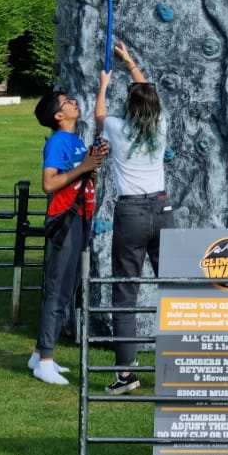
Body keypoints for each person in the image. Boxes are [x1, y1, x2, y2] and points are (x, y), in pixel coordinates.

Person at [96, 40, 174, 397]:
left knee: (126, 293)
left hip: (130, 212)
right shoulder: (159, 125)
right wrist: (130, 63)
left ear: (128, 106)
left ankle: (126, 374)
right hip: (162, 210)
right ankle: (180, 365)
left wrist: (103, 85)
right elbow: (147, 93)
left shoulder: (115, 128)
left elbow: (98, 116)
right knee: (175, 289)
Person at [31, 90, 106, 385]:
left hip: (81, 217)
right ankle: (46, 360)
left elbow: (82, 176)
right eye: (67, 102)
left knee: (67, 286)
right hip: (65, 220)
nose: (74, 102)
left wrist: (92, 166)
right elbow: (48, 183)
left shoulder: (75, 141)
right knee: (58, 288)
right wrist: (84, 167)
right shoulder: (57, 142)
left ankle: (39, 354)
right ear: (58, 116)